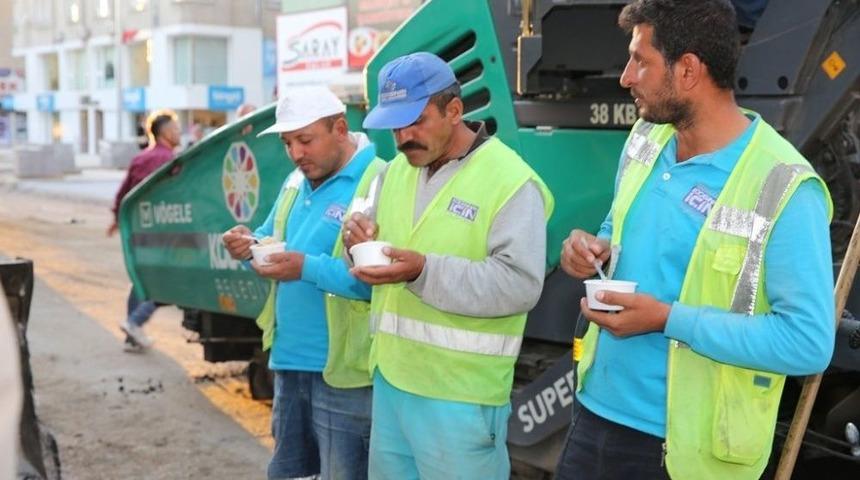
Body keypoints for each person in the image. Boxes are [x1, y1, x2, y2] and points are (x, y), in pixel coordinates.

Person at [555, 1, 834, 479]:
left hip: (684, 452)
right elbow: (615, 229)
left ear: (687, 70)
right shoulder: (646, 138)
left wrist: (669, 319)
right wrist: (590, 250)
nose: (625, 77)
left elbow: (807, 342)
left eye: (640, 61)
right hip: (593, 416)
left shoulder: (784, 186)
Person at [343, 52, 554, 479]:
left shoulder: (511, 182)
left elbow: (519, 284)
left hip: (461, 396)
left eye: (415, 121)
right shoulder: (393, 173)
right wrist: (354, 241)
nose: (403, 137)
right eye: (395, 126)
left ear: (454, 110)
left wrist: (421, 271)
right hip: (392, 381)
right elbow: (362, 240)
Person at [222, 86, 383, 480]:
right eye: (287, 143)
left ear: (340, 129)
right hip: (289, 362)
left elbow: (378, 280)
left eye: (305, 140)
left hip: (345, 374)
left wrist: (305, 268)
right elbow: (270, 239)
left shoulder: (377, 179)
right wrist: (247, 245)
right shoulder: (296, 180)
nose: (295, 153)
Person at [108, 110, 181, 350]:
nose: (179, 133)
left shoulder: (140, 159)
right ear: (165, 133)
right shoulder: (171, 161)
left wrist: (117, 219)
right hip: (166, 230)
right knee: (171, 280)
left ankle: (132, 337)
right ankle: (134, 322)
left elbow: (123, 194)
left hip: (139, 230)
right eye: (176, 129)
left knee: (140, 279)